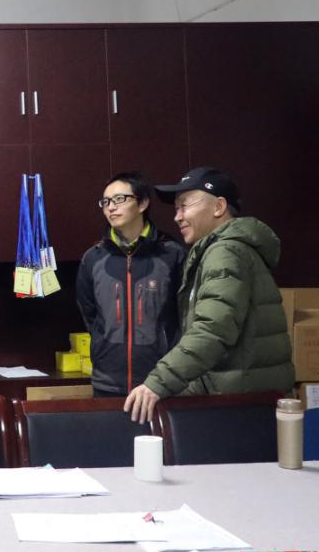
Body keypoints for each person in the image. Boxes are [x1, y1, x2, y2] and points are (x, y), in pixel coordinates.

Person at [124, 167, 294, 423]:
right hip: (244, 398)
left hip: (242, 409)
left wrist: (157, 383)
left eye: (184, 206)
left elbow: (213, 330)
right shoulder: (222, 250)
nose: (177, 217)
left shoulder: (225, 252)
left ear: (219, 207)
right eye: (176, 209)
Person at [76, 172, 183, 397]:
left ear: (142, 203)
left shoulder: (171, 254)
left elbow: (184, 313)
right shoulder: (93, 258)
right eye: (105, 202)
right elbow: (89, 313)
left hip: (159, 383)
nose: (111, 207)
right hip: (108, 382)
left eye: (119, 199)